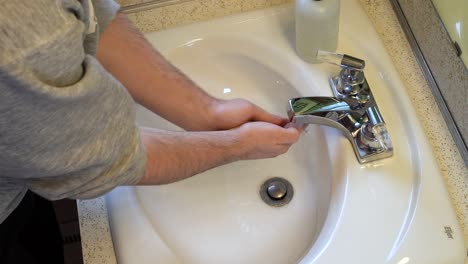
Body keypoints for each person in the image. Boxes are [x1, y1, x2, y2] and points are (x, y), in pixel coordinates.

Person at [0, 0, 302, 263]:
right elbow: (103, 157)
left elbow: (86, 13)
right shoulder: (14, 40)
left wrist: (209, 111)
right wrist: (235, 146)